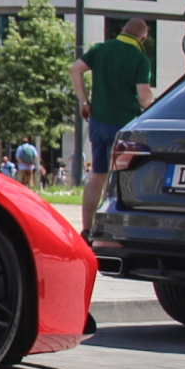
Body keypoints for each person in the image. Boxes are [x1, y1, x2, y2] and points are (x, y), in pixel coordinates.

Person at [71, 15, 156, 233]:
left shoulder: (101, 49)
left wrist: (84, 101)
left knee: (97, 176)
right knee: (121, 178)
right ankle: (118, 229)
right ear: (143, 38)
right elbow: (144, 98)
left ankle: (87, 229)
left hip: (98, 122)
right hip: (124, 127)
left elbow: (75, 69)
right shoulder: (140, 59)